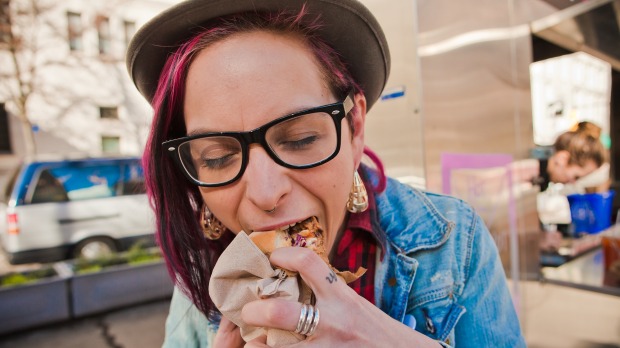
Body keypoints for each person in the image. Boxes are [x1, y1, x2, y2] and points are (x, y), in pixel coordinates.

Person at [126, 0, 525, 347]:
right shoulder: (204, 276)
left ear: (354, 128)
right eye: (217, 158)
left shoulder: (454, 243)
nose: (265, 193)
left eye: (299, 139)